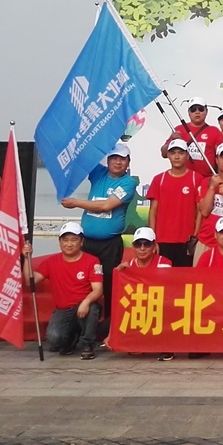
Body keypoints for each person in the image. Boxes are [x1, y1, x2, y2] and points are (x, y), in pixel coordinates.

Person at [62, 141, 138, 332]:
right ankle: (80, 324)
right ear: (108, 160)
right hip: (87, 243)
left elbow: (106, 206)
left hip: (109, 245)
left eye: (122, 159)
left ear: (128, 162)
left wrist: (76, 203)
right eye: (114, 158)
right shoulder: (98, 173)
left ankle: (111, 327)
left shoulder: (128, 182)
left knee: (110, 284)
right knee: (84, 283)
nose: (118, 162)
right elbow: (81, 158)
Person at [24, 222, 103, 360]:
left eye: (74, 240)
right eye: (65, 240)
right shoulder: (51, 261)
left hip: (83, 306)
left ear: (81, 242)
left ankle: (88, 345)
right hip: (63, 310)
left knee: (92, 308)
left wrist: (86, 302)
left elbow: (98, 289)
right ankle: (72, 338)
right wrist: (26, 258)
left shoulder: (92, 261)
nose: (69, 244)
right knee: (55, 339)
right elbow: (30, 280)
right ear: (60, 242)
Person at [144, 139, 201, 268]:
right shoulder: (159, 179)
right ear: (168, 155)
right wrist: (153, 239)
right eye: (173, 153)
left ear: (187, 155)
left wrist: (195, 236)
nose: (176, 156)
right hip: (163, 240)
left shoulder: (196, 179)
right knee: (163, 277)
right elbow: (153, 211)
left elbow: (200, 211)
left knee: (185, 277)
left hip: (186, 241)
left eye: (180, 153)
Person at [160, 97, 223, 178]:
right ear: (189, 112)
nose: (197, 112)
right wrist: (171, 141)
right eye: (193, 109)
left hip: (206, 179)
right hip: (183, 178)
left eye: (201, 109)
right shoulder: (179, 129)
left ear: (206, 111)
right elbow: (164, 154)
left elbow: (222, 157)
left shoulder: (214, 131)